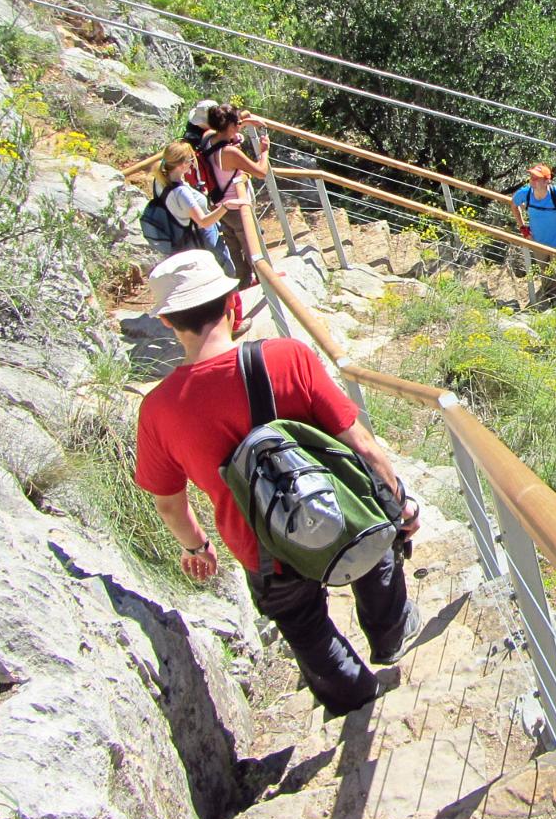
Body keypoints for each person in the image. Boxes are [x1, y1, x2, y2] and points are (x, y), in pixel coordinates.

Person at [134, 251, 422, 717]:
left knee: (304, 626)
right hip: (338, 515)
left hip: (262, 550)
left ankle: (360, 704)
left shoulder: (159, 410)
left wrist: (196, 547)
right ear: (233, 304)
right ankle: (391, 641)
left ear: (167, 323)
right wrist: (399, 503)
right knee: (375, 556)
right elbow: (362, 444)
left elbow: (169, 504)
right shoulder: (286, 357)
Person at [199, 103, 270, 289]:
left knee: (233, 246)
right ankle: (265, 279)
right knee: (251, 245)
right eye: (237, 123)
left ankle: (242, 283)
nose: (240, 125)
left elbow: (226, 130)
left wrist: (245, 121)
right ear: (230, 126)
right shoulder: (230, 152)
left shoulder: (207, 138)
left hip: (220, 206)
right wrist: (264, 151)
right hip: (237, 207)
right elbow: (261, 172)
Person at [151, 142, 237, 276]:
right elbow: (203, 221)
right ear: (182, 164)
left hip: (186, 239)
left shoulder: (160, 182)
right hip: (203, 238)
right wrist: (226, 206)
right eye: (190, 160)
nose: (192, 163)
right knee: (226, 274)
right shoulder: (181, 192)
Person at [512, 164, 556, 251]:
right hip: (536, 242)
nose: (532, 180)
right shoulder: (524, 193)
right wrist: (522, 227)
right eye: (531, 177)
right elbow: (514, 205)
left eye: (536, 178)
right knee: (539, 265)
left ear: (547, 181)